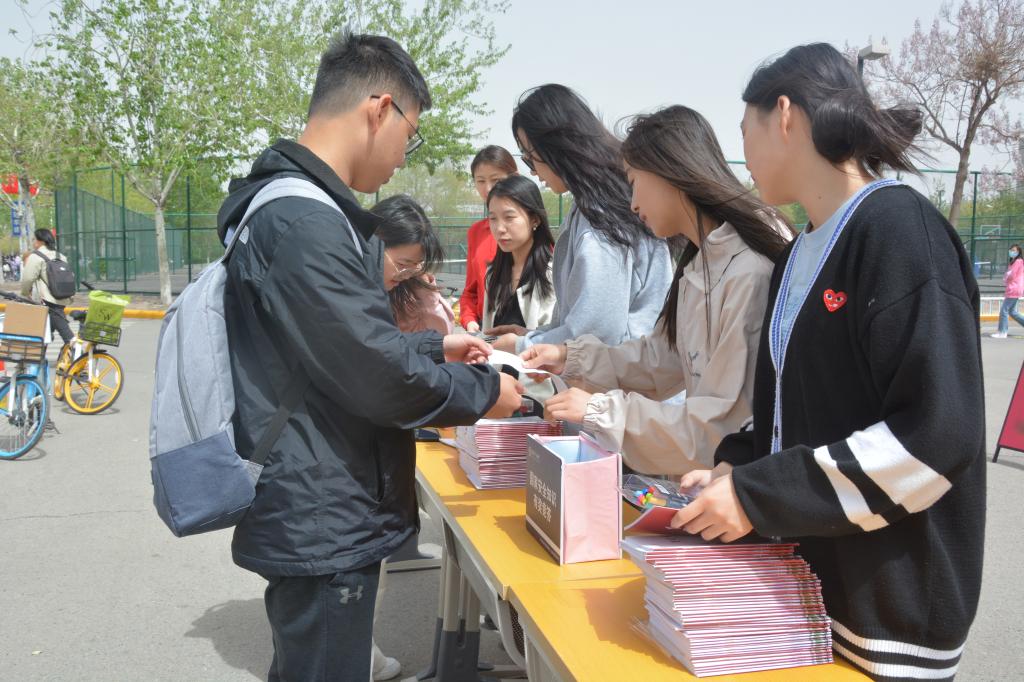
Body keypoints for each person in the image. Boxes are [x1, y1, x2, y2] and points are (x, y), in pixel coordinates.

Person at [669, 44, 985, 682]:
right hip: (805, 593)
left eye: (745, 131)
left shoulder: (901, 230)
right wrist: (736, 469)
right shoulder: (798, 253)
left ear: (785, 115)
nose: (742, 156)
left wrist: (758, 495)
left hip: (887, 612)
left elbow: (938, 434)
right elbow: (798, 409)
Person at [215, 30, 524, 682]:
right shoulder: (306, 223)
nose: (402, 157)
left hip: (314, 491)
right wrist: (485, 391)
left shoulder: (290, 208)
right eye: (410, 135)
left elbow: (335, 350)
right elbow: (375, 375)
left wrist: (435, 344)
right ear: (381, 109)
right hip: (323, 505)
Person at [521, 105, 792, 474]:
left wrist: (601, 411)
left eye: (634, 182)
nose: (633, 204)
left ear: (669, 173)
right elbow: (662, 358)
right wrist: (572, 358)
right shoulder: (703, 261)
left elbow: (721, 425)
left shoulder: (747, 269)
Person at [488, 84, 673, 352]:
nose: (534, 172)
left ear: (556, 148)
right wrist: (535, 335)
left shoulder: (600, 219)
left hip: (625, 372)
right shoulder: (594, 204)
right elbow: (584, 323)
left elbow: (597, 332)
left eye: (531, 159)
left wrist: (522, 345)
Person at [481, 175, 556, 331]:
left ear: (535, 219)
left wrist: (521, 340)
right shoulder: (493, 274)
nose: (499, 229)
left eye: (509, 217)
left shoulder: (552, 274)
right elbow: (487, 333)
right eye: (493, 218)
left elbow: (555, 336)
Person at [373, 194, 455, 335]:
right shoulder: (352, 287)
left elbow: (441, 335)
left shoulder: (407, 289)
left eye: (417, 263)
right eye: (402, 264)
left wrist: (425, 292)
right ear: (374, 245)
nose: (406, 275)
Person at [460, 145, 518, 332]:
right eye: (480, 181)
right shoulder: (476, 232)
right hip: (485, 332)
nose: (488, 188)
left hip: (527, 336)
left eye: (496, 180)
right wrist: (469, 320)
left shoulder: (532, 229)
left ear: (515, 178)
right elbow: (470, 291)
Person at [20, 228, 74, 346]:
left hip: (48, 300)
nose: (33, 242)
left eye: (34, 239)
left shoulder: (36, 256)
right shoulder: (60, 256)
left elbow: (27, 278)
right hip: (62, 298)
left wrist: (25, 293)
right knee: (43, 334)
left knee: (68, 337)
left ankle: (80, 355)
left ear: (40, 241)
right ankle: (38, 355)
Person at [991, 243, 1024, 338]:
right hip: (1014, 288)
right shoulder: (1014, 261)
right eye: (1011, 250)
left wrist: (1006, 277)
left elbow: (1012, 275)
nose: (1011, 252)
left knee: (1004, 311)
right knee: (1012, 311)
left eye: (1014, 250)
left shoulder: (1018, 261)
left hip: (1014, 288)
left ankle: (1002, 332)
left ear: (1018, 252)